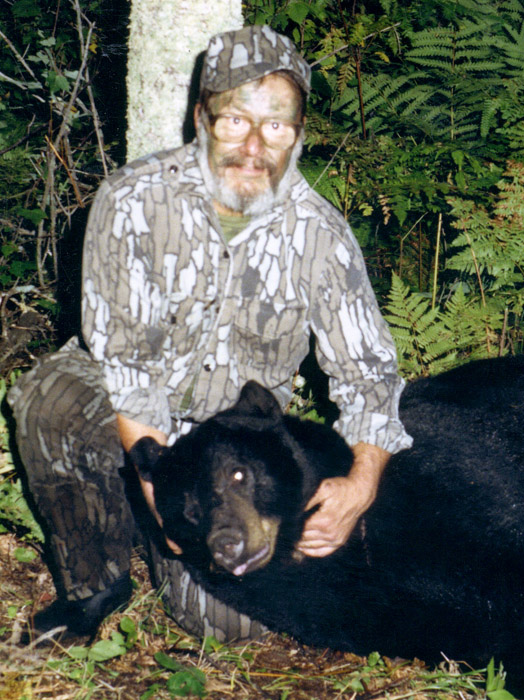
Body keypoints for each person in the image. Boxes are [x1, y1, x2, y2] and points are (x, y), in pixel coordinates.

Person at [8, 25, 411, 642]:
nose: (254, 145)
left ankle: (170, 551)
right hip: (129, 413)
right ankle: (95, 583)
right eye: (234, 121)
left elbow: (370, 373)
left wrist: (360, 481)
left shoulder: (320, 236)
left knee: (231, 628)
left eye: (276, 126)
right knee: (48, 399)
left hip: (233, 443)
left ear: (298, 135)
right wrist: (158, 489)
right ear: (201, 117)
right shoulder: (134, 201)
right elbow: (127, 369)